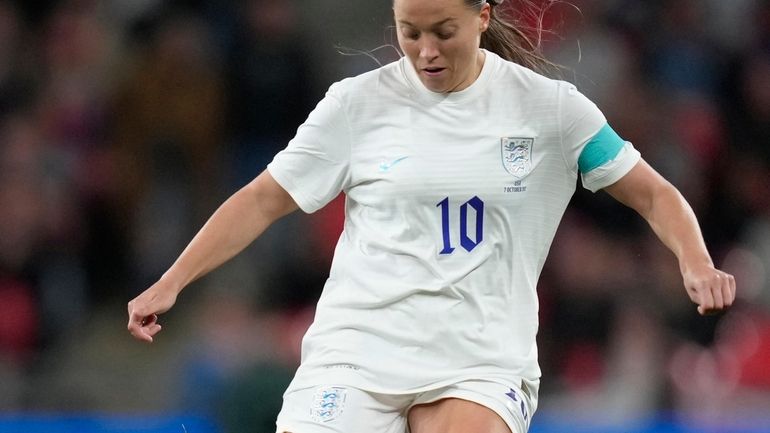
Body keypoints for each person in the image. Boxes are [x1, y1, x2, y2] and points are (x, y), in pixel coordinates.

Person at [127, 0, 737, 432]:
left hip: (479, 358)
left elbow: (654, 193)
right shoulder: (355, 105)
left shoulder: (551, 111)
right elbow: (262, 199)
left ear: (483, 16)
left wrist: (696, 260)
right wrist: (171, 280)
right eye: (408, 30)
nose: (425, 51)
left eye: (443, 30)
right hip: (359, 350)